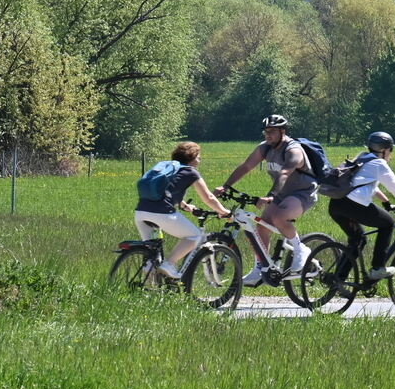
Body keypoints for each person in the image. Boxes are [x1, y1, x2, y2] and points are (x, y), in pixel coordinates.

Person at [216, 114, 319, 284]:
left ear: (282, 132)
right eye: (266, 132)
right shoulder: (265, 148)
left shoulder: (293, 150)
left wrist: (270, 196)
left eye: (272, 132)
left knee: (279, 217)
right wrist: (226, 185)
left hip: (303, 192)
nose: (268, 135)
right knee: (262, 226)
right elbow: (246, 166)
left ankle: (301, 250)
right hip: (282, 193)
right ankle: (261, 267)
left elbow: (285, 172)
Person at [326, 131, 395, 280]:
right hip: (353, 205)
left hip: (336, 205)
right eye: (391, 150)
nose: (391, 154)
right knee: (387, 224)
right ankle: (378, 268)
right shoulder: (379, 164)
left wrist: (386, 203)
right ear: (385, 150)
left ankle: (338, 279)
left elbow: (367, 187)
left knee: (358, 240)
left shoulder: (362, 158)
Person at [133, 141, 232, 279]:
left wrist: (185, 206)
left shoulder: (168, 167)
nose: (200, 159)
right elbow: (208, 198)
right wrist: (224, 212)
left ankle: (150, 291)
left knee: (151, 255)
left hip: (141, 212)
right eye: (198, 156)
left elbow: (167, 190)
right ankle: (169, 264)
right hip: (162, 213)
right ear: (192, 156)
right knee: (194, 236)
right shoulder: (190, 171)